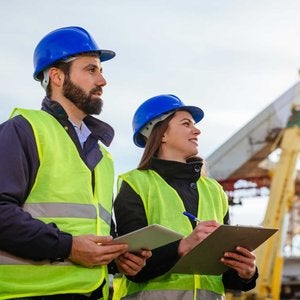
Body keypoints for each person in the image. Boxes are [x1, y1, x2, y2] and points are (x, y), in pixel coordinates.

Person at [0, 26, 151, 300]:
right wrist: (67, 247)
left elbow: (95, 228)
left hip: (94, 293)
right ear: (57, 76)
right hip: (30, 294)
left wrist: (118, 256)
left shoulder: (103, 156)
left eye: (101, 71)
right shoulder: (23, 130)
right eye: (91, 69)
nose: (102, 81)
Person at [112, 94, 259, 299]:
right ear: (161, 133)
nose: (197, 130)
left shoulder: (214, 190)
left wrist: (246, 273)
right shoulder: (135, 184)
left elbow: (224, 274)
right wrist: (182, 246)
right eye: (186, 123)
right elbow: (134, 266)